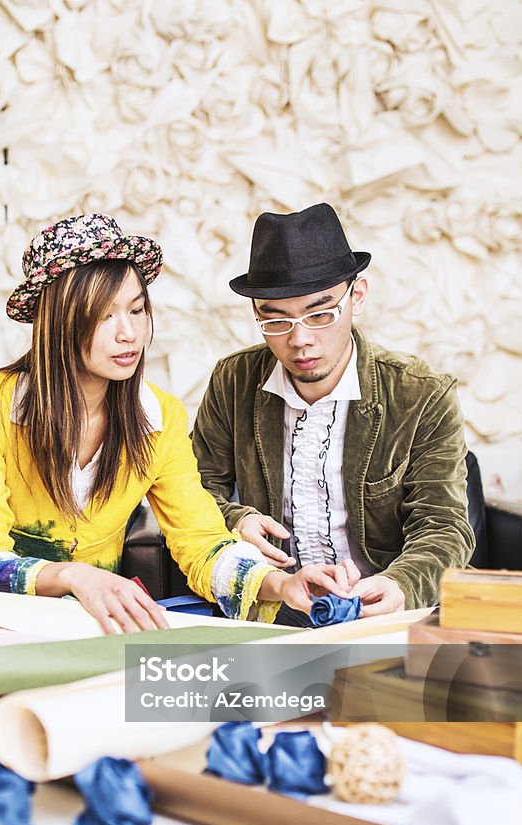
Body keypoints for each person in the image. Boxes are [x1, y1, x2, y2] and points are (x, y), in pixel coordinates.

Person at [0, 214, 354, 633]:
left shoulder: (159, 417)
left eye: (137, 310)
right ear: (57, 323)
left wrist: (282, 585)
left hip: (79, 626)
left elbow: (200, 539)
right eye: (104, 315)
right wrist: (74, 576)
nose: (129, 333)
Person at [191, 203, 474, 621]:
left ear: (356, 297)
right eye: (276, 321)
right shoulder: (233, 381)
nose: (300, 340)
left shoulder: (422, 394)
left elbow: (444, 525)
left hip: (380, 612)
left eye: (320, 313)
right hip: (274, 605)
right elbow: (191, 491)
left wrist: (401, 586)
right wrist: (235, 519)